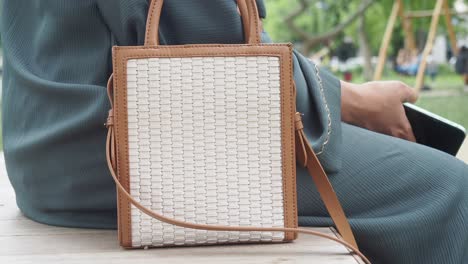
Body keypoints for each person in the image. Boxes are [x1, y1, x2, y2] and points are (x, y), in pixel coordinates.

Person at [1, 1, 466, 263]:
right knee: (447, 188)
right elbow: (214, 45)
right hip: (135, 160)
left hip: (43, 157)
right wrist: (352, 101)